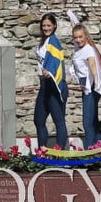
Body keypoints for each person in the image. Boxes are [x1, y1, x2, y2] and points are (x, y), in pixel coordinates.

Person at [33, 14, 70, 150]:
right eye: (44, 26)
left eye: (49, 25)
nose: (46, 28)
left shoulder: (54, 41)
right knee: (38, 120)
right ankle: (42, 152)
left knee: (59, 122)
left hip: (54, 85)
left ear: (54, 26)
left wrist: (50, 71)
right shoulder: (44, 41)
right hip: (44, 86)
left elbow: (56, 61)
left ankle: (60, 154)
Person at [69, 23, 101, 148]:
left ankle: (90, 150)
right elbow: (75, 24)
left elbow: (92, 64)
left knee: (87, 122)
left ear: (86, 36)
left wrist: (96, 79)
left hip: (91, 87)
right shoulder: (77, 47)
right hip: (85, 86)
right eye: (76, 37)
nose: (78, 40)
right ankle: (100, 145)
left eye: (81, 37)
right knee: (93, 119)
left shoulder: (88, 49)